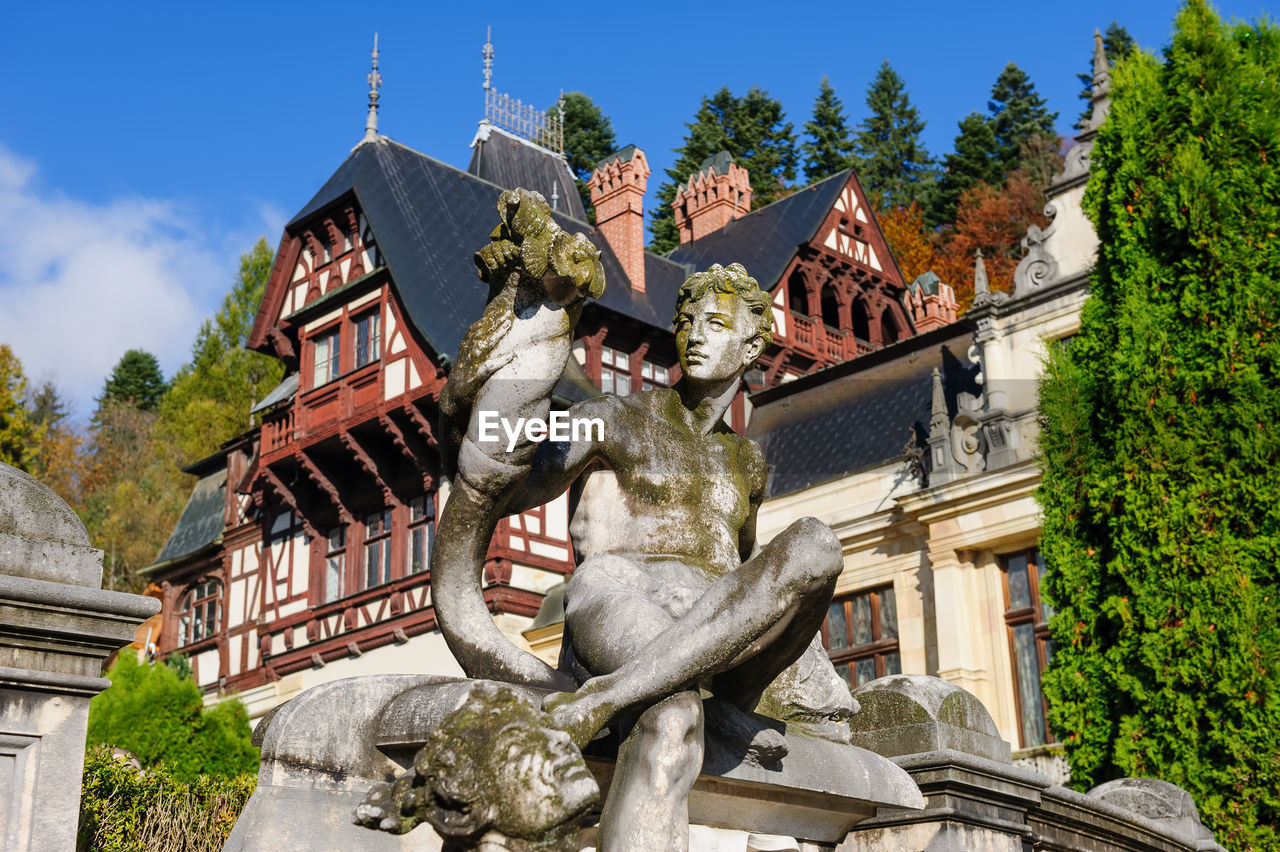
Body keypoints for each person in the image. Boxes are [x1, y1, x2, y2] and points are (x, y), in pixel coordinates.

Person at [479, 262, 857, 850]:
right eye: (687, 323)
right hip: (622, 594)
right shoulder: (615, 417)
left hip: (711, 626)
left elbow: (746, 571)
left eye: (714, 323)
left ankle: (629, 699)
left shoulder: (748, 465)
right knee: (673, 712)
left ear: (751, 344)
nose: (696, 334)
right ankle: (629, 694)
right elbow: (521, 486)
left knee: (816, 543)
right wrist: (495, 417)